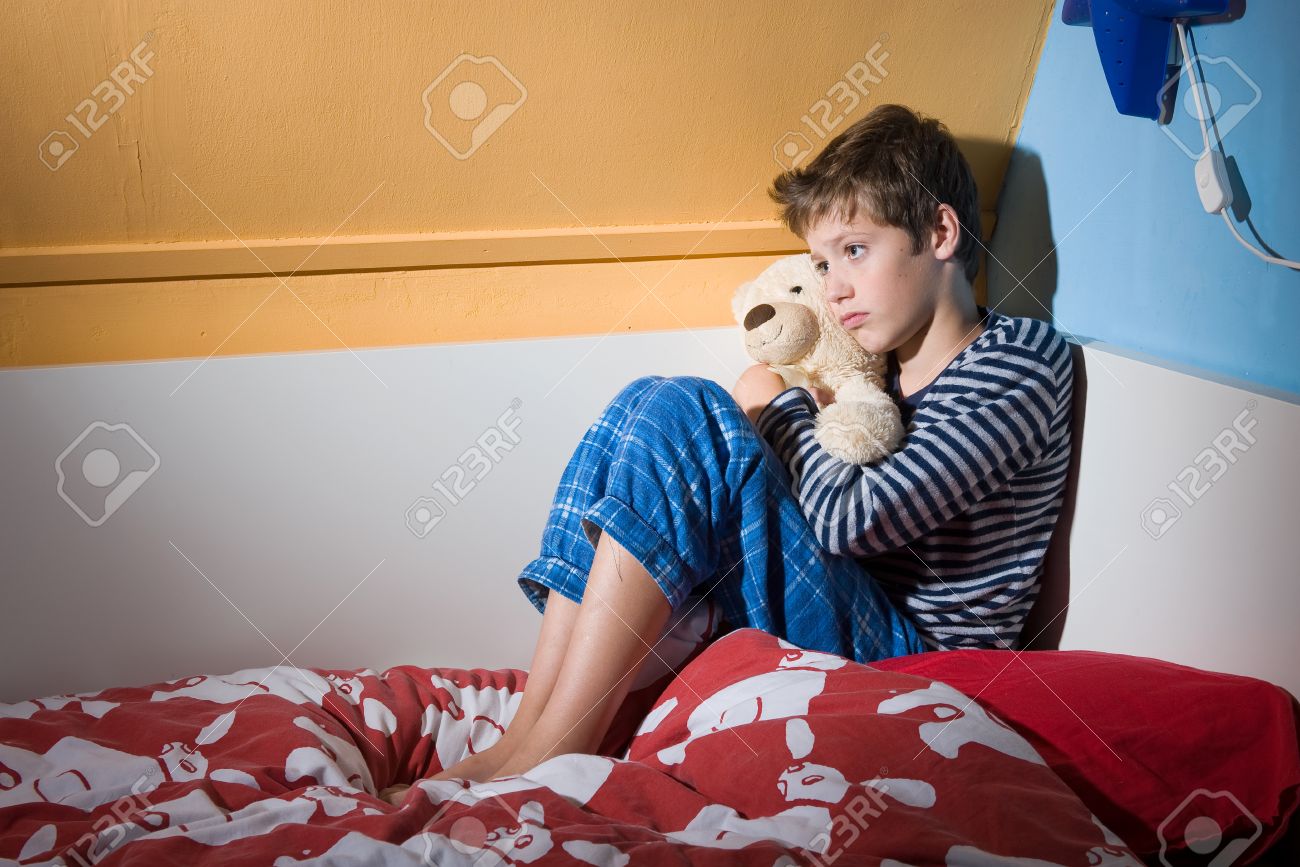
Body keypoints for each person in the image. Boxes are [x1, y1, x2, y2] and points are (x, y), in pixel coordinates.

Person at [431, 103, 1074, 785]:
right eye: (822, 263)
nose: (836, 288)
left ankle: (555, 749)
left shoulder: (1020, 362)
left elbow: (848, 520)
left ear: (940, 232)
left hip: (923, 662)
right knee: (643, 405)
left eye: (854, 250)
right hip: (849, 607)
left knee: (693, 406)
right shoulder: (873, 361)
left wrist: (780, 409)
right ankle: (528, 735)